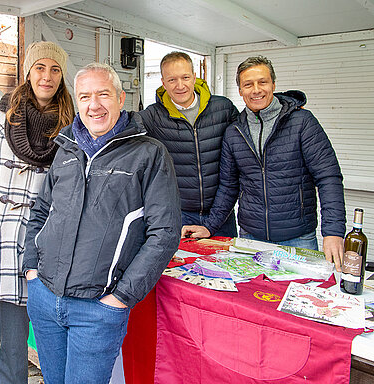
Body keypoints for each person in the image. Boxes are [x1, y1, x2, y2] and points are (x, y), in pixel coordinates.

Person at [22, 62, 182, 384]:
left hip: (98, 308)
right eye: (84, 97)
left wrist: (121, 296)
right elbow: (41, 211)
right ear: (76, 102)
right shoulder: (65, 150)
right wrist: (31, 269)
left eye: (102, 95)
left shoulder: (148, 155)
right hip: (46, 297)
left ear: (121, 99)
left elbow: (164, 232)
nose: (93, 105)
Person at [0, 41, 74, 384]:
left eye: (54, 69)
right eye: (40, 67)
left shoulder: (70, 129)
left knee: (15, 342)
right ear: (28, 71)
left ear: (62, 76)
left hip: (27, 245)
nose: (46, 76)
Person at [182, 56, 346, 270]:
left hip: (297, 239)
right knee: (254, 300)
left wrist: (333, 232)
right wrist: (209, 227)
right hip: (251, 240)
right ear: (240, 90)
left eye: (262, 82)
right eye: (248, 84)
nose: (256, 90)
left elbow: (328, 178)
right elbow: (228, 187)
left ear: (273, 84)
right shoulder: (234, 132)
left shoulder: (302, 122)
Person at [139, 51, 239, 237]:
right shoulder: (152, 116)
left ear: (195, 77)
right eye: (172, 80)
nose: (180, 86)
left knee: (228, 265)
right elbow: (121, 130)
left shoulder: (223, 108)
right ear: (163, 82)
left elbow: (251, 125)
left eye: (185, 77)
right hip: (179, 215)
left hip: (221, 213)